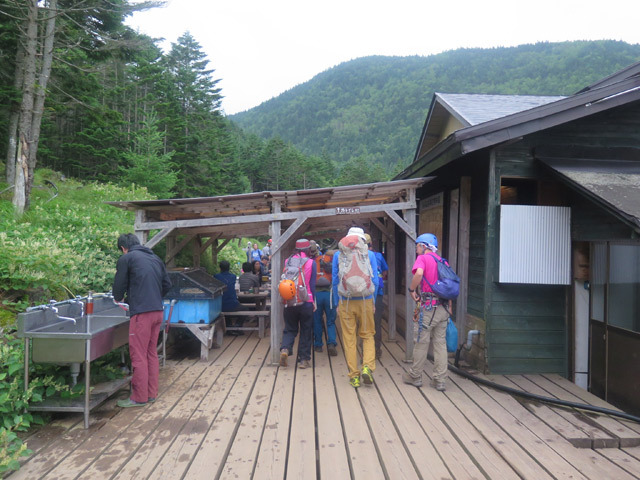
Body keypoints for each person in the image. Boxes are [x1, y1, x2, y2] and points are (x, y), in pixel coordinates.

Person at [112, 233, 171, 408]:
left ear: (123, 248)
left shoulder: (127, 258)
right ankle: (151, 394)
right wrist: (153, 297)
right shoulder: (155, 258)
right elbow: (167, 284)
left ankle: (139, 397)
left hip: (142, 314)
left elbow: (118, 286)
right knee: (151, 353)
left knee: (138, 355)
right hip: (157, 311)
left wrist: (119, 298)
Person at [403, 233, 450, 392]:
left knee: (421, 343)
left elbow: (419, 273)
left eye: (417, 246)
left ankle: (415, 376)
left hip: (428, 308)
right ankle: (440, 380)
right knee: (440, 344)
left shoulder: (423, 259)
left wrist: (411, 289)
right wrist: (449, 307)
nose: (416, 250)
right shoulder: (443, 261)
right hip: (443, 308)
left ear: (424, 246)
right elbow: (449, 285)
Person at [333, 227, 378, 388]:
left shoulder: (339, 255)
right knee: (367, 335)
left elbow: (335, 279)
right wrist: (372, 301)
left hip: (345, 300)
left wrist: (337, 301)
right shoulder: (369, 254)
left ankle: (354, 376)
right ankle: (367, 366)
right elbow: (375, 280)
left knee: (349, 339)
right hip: (365, 299)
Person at [279, 239, 317, 369]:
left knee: (290, 328)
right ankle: (303, 360)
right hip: (306, 301)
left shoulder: (287, 261)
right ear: (307, 249)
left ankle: (285, 349)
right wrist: (313, 302)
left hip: (289, 300)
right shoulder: (311, 263)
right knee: (306, 330)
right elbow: (312, 285)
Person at [365, 233, 389, 359]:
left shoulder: (358, 256)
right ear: (371, 244)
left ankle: (365, 349)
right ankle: (377, 349)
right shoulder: (378, 255)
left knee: (363, 323)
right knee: (376, 322)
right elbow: (385, 271)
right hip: (377, 293)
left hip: (362, 295)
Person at [313, 244, 338, 356]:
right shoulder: (332, 260)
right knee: (331, 321)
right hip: (329, 294)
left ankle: (318, 345)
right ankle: (331, 343)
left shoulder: (314, 261)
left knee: (317, 320)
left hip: (317, 294)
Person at [214, 260, 243, 335]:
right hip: (232, 304)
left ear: (220, 268)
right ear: (229, 268)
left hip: (220, 305)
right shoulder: (233, 277)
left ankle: (229, 327)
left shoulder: (216, 277)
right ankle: (237, 325)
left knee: (225, 308)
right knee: (246, 309)